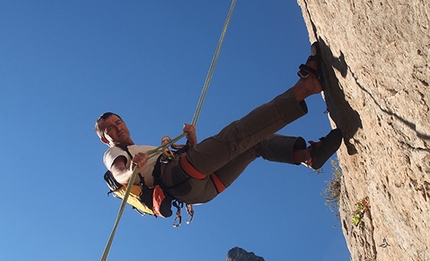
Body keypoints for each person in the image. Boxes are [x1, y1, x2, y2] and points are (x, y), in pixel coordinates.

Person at [95, 45, 342, 213]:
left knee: (253, 144)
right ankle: (307, 86)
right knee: (236, 135)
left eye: (118, 122)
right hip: (178, 178)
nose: (117, 128)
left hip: (199, 190)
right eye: (110, 129)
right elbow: (119, 174)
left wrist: (192, 142)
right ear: (106, 140)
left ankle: (307, 156)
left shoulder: (140, 150)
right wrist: (131, 171)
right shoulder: (113, 154)